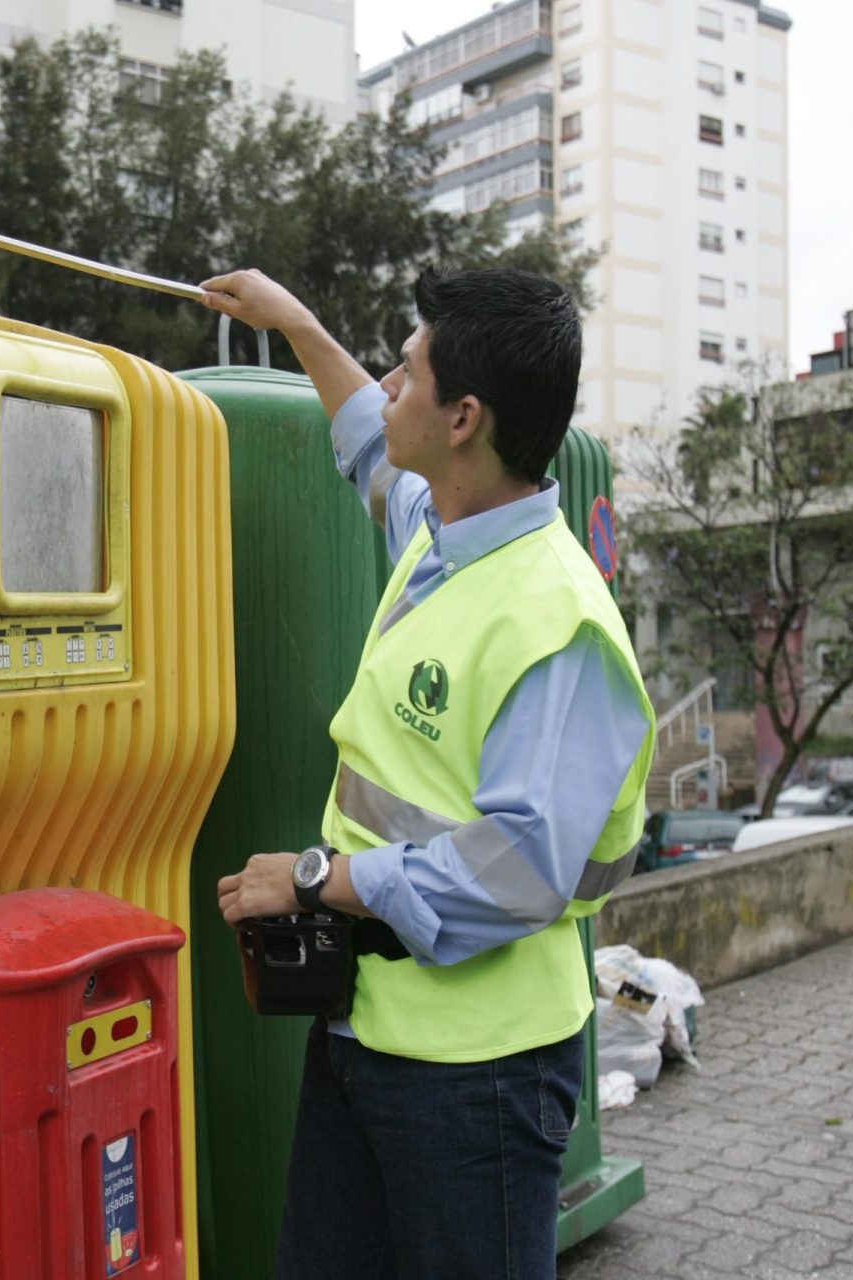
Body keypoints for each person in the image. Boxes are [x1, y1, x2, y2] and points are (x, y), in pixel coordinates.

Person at [201, 266, 656, 1280]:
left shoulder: (556, 623)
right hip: (364, 1028)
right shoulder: (441, 537)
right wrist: (299, 326)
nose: (390, 385)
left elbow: (519, 870)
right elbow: (370, 442)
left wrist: (316, 879)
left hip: (479, 1075)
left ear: (463, 417)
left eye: (407, 371)